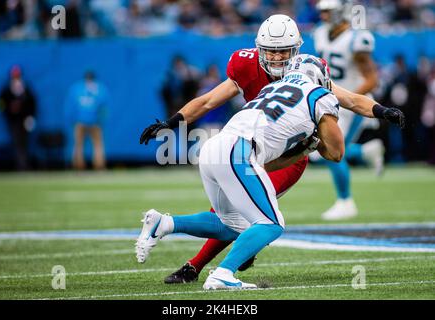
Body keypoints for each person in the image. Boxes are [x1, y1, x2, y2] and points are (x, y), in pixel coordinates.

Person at [139, 14, 405, 284]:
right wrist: (172, 122)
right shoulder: (279, 75)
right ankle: (215, 265)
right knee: (251, 217)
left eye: (283, 51)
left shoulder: (307, 74)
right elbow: (207, 101)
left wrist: (381, 111)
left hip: (277, 153)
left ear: (295, 51)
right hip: (249, 146)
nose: (277, 57)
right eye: (271, 51)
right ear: (259, 49)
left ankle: (200, 257)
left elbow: (349, 99)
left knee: (241, 213)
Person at [136, 54, 344, 290]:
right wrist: (314, 143)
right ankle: (223, 273)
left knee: (230, 224)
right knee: (271, 223)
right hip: (240, 151)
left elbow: (211, 103)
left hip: (214, 147)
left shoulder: (272, 88)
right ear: (320, 77)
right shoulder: (320, 95)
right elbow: (336, 153)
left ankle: (163, 223)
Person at [312, 0, 385, 220]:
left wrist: (348, 97)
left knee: (331, 151)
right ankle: (365, 152)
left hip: (351, 104)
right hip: (330, 101)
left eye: (328, 11)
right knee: (322, 151)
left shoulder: (356, 39)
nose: (324, 16)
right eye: (322, 11)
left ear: (341, 11)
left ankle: (345, 201)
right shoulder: (320, 34)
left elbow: (372, 79)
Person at [64, 71, 108, 170]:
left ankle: (78, 166)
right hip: (94, 121)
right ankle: (99, 166)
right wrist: (101, 120)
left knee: (78, 145)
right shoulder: (100, 88)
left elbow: (71, 106)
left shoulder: (76, 88)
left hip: (80, 121)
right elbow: (104, 107)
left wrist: (72, 119)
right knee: (97, 145)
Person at [0, 65, 37, 170]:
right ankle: (20, 165)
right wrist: (7, 112)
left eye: (17, 75)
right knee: (17, 143)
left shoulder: (25, 88)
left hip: (24, 120)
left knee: (25, 143)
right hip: (13, 121)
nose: (16, 77)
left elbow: (32, 103)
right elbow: (0, 103)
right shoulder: (7, 89)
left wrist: (30, 116)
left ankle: (24, 164)